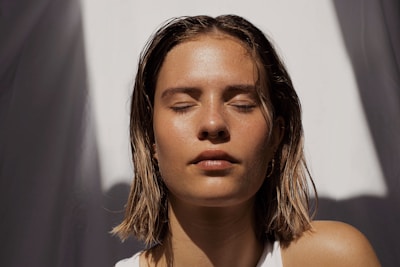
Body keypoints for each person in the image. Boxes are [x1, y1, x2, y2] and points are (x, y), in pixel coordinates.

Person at [113, 15, 381, 267]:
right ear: (150, 138)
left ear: (276, 136)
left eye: (241, 104)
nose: (213, 124)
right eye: (183, 105)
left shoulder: (335, 259)